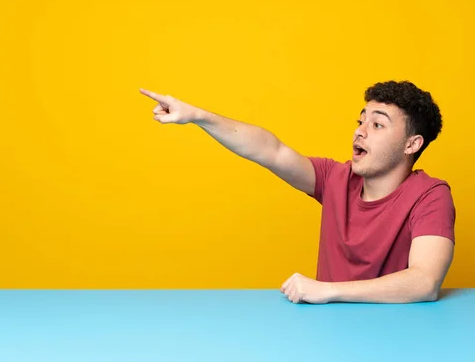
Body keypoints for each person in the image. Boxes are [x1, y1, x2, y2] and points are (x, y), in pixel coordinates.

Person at [139, 80, 455, 304]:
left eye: (377, 125)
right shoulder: (336, 178)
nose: (359, 131)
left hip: (397, 340)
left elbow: (424, 282)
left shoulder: (430, 195)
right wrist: (198, 116)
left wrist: (328, 290)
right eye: (360, 121)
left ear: (412, 144)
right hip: (329, 336)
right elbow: (271, 151)